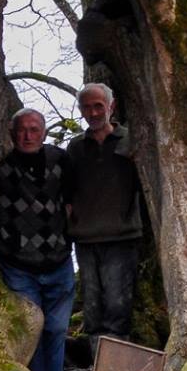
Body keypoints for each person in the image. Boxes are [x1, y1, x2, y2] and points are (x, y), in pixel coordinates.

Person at [0, 106, 73, 371]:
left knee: (57, 328)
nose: (27, 135)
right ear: (12, 133)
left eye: (34, 129)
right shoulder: (0, 165)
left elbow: (73, 198)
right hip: (18, 264)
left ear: (44, 132)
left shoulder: (59, 160)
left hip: (59, 261)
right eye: (22, 129)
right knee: (32, 327)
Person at [65, 82, 144, 342]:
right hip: (86, 239)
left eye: (98, 106)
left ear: (111, 106)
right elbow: (66, 190)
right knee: (92, 309)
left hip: (122, 236)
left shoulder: (132, 141)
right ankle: (94, 367)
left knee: (118, 307)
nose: (93, 113)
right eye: (86, 108)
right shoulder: (75, 149)